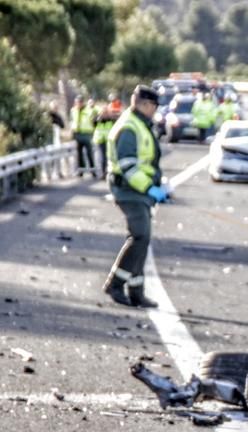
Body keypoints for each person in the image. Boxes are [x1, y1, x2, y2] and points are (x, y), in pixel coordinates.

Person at [103, 85, 167, 309]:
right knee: (140, 235)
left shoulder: (140, 124)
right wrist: (150, 187)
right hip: (130, 190)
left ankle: (137, 291)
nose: (155, 111)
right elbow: (129, 166)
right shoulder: (130, 127)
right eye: (154, 106)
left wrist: (155, 187)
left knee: (143, 238)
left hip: (139, 191)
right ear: (145, 104)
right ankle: (115, 283)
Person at [93, 99, 122, 179]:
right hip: (100, 140)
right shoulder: (98, 118)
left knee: (108, 157)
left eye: (106, 112)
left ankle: (107, 172)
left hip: (109, 140)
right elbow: (93, 123)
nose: (104, 113)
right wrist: (99, 118)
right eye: (103, 112)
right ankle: (103, 173)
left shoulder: (111, 119)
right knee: (102, 157)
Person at [70, 96, 98, 176]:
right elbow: (72, 122)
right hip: (77, 134)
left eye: (78, 102)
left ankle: (93, 171)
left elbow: (94, 121)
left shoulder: (89, 110)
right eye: (76, 102)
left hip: (87, 134)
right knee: (79, 154)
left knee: (89, 153)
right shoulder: (73, 110)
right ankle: (80, 171)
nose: (77, 104)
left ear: (82, 102)